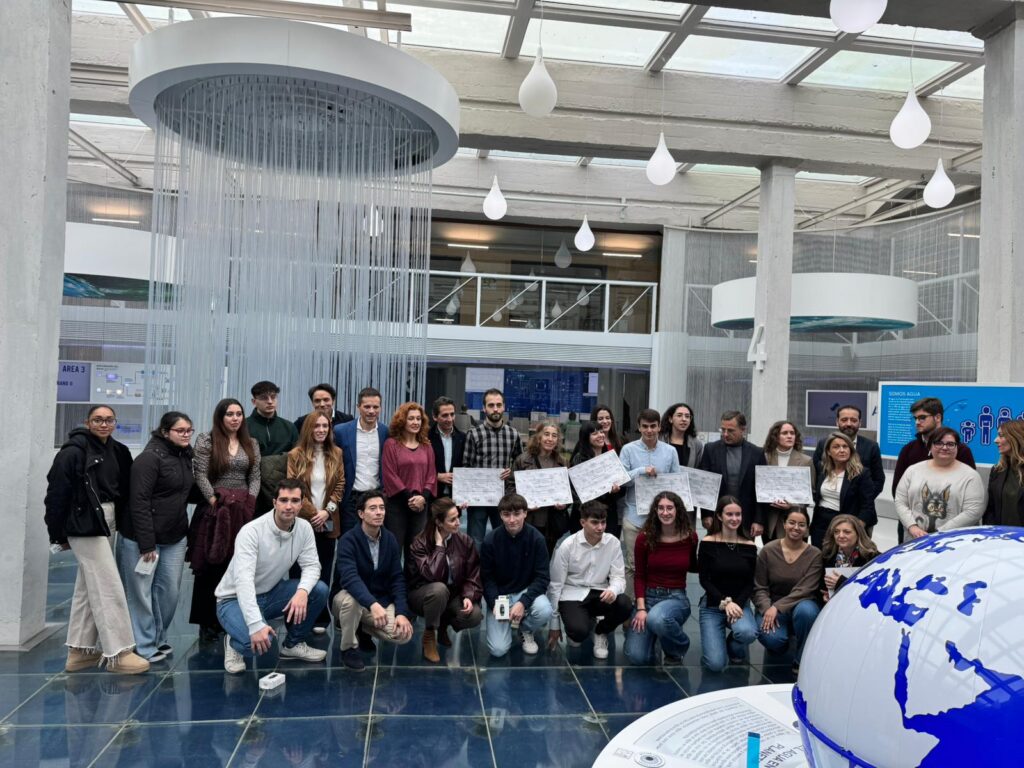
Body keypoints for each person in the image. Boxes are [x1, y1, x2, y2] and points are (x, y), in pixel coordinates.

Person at [45, 404, 148, 674]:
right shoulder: (73, 452)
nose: (104, 424)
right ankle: (120, 652)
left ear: (115, 423)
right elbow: (56, 495)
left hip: (109, 518)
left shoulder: (119, 451)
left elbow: (125, 491)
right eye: (98, 420)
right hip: (84, 522)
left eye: (109, 420)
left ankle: (80, 651)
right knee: (107, 584)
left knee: (88, 585)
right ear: (87, 422)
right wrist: (57, 534)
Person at [215, 479, 329, 673]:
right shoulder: (251, 531)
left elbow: (311, 566)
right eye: (283, 500)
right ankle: (234, 642)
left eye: (295, 501)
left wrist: (302, 592)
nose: (289, 506)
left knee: (318, 590)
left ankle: (292, 645)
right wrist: (255, 625)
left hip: (269, 594)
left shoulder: (304, 528)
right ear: (274, 502)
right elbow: (243, 582)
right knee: (259, 644)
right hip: (233, 600)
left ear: (302, 504)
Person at [115, 411, 196, 663]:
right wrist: (146, 542)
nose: (186, 435)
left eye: (189, 430)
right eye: (180, 430)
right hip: (142, 539)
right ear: (164, 432)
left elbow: (186, 492)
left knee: (169, 592)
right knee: (140, 593)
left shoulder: (185, 456)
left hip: (174, 536)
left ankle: (158, 638)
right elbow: (138, 502)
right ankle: (143, 645)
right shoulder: (149, 459)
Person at [188, 398, 261, 642]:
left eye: (239, 414)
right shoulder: (206, 440)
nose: (235, 418)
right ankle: (207, 622)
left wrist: (251, 501)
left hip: (242, 509)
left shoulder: (251, 442)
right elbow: (199, 473)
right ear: (220, 417)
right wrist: (212, 499)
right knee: (210, 564)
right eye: (229, 414)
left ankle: (231, 619)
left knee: (237, 564)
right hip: (215, 508)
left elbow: (255, 476)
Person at [333, 490, 414, 670]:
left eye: (382, 508)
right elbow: (350, 579)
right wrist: (372, 605)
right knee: (351, 603)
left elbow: (397, 579)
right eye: (373, 508)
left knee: (403, 634)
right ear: (361, 514)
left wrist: (401, 612)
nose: (379, 512)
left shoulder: (389, 539)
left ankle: (361, 627)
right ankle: (348, 648)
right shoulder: (348, 540)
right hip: (348, 598)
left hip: (379, 599)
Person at [546, 501, 631, 659]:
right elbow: (556, 586)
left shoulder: (612, 543)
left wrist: (613, 590)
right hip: (572, 594)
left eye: (603, 522)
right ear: (582, 522)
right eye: (594, 522)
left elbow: (618, 577)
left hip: (600, 592)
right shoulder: (567, 545)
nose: (600, 527)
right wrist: (554, 624)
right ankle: (583, 623)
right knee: (578, 633)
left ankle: (600, 631)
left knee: (625, 604)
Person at [286, 411, 345, 633]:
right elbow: (294, 488)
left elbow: (340, 485)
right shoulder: (295, 454)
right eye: (316, 426)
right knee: (298, 570)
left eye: (325, 426)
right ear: (308, 429)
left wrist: (327, 512)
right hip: (302, 521)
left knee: (324, 568)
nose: (321, 430)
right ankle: (296, 616)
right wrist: (314, 514)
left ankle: (320, 616)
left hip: (328, 521)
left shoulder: (337, 453)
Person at [405, 498, 483, 663]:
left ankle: (442, 625)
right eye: (452, 519)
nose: (458, 523)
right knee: (439, 590)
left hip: (451, 594)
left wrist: (468, 596)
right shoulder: (420, 543)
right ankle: (429, 635)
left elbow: (473, 574)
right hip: (422, 594)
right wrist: (440, 546)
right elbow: (432, 576)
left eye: (458, 517)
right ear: (439, 522)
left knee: (474, 616)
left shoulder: (464, 541)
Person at [624, 492, 698, 665]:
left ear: (678, 510)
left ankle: (678, 647)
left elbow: (694, 565)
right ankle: (658, 633)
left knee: (658, 619)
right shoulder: (644, 538)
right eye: (661, 508)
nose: (665, 512)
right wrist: (641, 608)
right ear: (655, 511)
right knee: (636, 657)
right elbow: (639, 575)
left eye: (670, 508)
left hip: (676, 597)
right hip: (648, 597)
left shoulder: (690, 537)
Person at [892, 397, 977, 541]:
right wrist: (912, 524)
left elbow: (970, 493)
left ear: (937, 417)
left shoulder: (961, 451)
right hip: (913, 528)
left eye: (922, 417)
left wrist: (945, 527)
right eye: (915, 418)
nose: (917, 422)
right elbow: (898, 491)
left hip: (950, 532)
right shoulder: (908, 450)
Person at [480, 493, 553, 657]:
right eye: (507, 515)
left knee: (545, 610)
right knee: (498, 650)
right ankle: (510, 622)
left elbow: (542, 578)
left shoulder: (537, 539)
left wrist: (523, 602)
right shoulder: (490, 541)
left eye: (517, 514)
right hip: (500, 595)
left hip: (524, 591)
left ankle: (525, 629)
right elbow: (487, 578)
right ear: (500, 515)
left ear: (525, 513)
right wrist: (495, 604)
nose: (512, 520)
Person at [753, 507, 822, 674]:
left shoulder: (815, 554)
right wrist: (767, 608)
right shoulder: (768, 550)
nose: (796, 528)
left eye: (801, 524)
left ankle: (801, 660)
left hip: (802, 603)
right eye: (792, 522)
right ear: (784, 524)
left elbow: (805, 589)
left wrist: (776, 608)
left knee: (807, 612)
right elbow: (759, 586)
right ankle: (784, 641)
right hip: (772, 604)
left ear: (807, 528)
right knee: (772, 640)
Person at [620, 409, 680, 600]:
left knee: (657, 564)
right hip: (633, 516)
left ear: (659, 427)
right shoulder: (628, 450)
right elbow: (620, 480)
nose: (649, 430)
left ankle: (654, 602)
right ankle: (631, 606)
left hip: (662, 519)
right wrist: (641, 471)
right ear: (639, 427)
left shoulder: (670, 451)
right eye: (645, 426)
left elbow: (676, 483)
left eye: (653, 426)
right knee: (632, 565)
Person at [697, 496, 758, 672]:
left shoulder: (749, 545)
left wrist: (736, 604)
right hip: (712, 606)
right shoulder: (707, 543)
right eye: (729, 514)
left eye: (738, 514)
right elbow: (704, 579)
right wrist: (726, 602)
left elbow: (750, 582)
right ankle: (716, 649)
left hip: (739, 605)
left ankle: (733, 648)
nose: (734, 518)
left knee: (748, 633)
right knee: (715, 665)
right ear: (719, 516)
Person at [463, 388, 523, 549]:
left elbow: (520, 465)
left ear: (504, 407)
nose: (495, 409)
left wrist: (512, 471)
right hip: (478, 498)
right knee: (475, 542)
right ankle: (475, 567)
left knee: (503, 541)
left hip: (504, 497)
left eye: (498, 405)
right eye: (491, 405)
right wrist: (465, 495)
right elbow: (466, 467)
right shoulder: (473, 434)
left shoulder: (513, 434)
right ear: (484, 408)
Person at [699, 410, 767, 538]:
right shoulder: (710, 450)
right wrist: (706, 515)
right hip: (717, 518)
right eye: (723, 430)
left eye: (730, 431)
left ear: (743, 430)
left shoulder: (757, 453)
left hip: (746, 519)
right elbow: (704, 486)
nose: (725, 434)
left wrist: (759, 520)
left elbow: (761, 490)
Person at [382, 402, 437, 554]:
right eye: (411, 418)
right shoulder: (391, 444)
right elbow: (390, 475)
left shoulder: (426, 446)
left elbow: (431, 475)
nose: (415, 422)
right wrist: (411, 497)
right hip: (397, 505)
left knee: (416, 550)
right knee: (394, 549)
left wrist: (423, 497)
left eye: (418, 419)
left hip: (421, 505)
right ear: (402, 421)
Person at [507, 421, 568, 555]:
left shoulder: (562, 462)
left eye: (554, 436)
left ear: (558, 440)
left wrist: (564, 504)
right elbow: (510, 488)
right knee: (524, 557)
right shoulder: (522, 460)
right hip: (528, 520)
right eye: (546, 434)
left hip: (551, 523)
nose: (550, 439)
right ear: (539, 437)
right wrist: (524, 504)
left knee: (545, 557)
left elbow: (568, 491)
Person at [334, 387, 389, 534]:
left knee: (374, 540)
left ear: (380, 408)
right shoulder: (341, 431)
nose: (371, 411)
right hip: (351, 498)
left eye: (375, 407)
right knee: (348, 539)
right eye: (367, 407)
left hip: (376, 497)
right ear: (358, 407)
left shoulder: (386, 432)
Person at [810, 432, 875, 548]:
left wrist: (856, 528)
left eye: (845, 446)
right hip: (820, 524)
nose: (842, 450)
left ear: (851, 450)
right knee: (819, 556)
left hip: (845, 525)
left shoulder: (861, 473)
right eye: (836, 447)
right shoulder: (822, 469)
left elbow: (868, 507)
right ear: (828, 451)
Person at [811, 405, 885, 501]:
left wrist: (864, 500)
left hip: (858, 507)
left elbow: (878, 480)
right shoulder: (823, 444)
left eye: (853, 420)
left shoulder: (871, 447)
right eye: (844, 420)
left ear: (860, 423)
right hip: (826, 504)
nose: (849, 424)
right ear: (837, 422)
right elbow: (816, 474)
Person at [762, 420, 816, 542]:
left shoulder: (806, 461)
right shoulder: (765, 457)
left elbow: (811, 492)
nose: (789, 436)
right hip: (770, 520)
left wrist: (792, 504)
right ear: (775, 436)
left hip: (796, 521)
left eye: (792, 433)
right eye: (785, 433)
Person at [568, 422, 623, 536]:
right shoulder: (579, 459)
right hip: (586, 515)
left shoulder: (610, 458)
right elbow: (575, 491)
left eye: (601, 432)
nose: (600, 435)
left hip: (607, 514)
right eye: (594, 433)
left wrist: (616, 490)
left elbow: (622, 486)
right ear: (586, 438)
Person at [820, 514, 878, 602]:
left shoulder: (872, 557)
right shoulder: (828, 554)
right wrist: (825, 595)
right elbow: (821, 586)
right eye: (836, 532)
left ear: (858, 534)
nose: (840, 535)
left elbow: (873, 589)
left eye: (847, 532)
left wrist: (841, 582)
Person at [985, 419, 1024, 526]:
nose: (995, 440)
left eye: (1001, 436)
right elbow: (991, 509)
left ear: (1016, 438)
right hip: (1001, 534)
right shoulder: (997, 470)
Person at [246, 380, 298, 456]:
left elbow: (297, 456)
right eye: (264, 398)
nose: (270, 401)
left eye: (273, 397)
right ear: (254, 402)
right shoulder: (243, 426)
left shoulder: (289, 427)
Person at [428, 396, 465, 500]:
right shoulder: (425, 438)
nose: (450, 419)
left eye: (452, 414)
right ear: (435, 417)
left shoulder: (463, 438)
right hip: (432, 496)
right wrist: (437, 476)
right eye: (445, 415)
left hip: (456, 496)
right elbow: (419, 468)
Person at [660, 403, 705, 469]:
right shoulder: (659, 440)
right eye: (679, 415)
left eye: (687, 416)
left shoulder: (696, 444)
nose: (684, 419)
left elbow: (697, 470)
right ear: (670, 419)